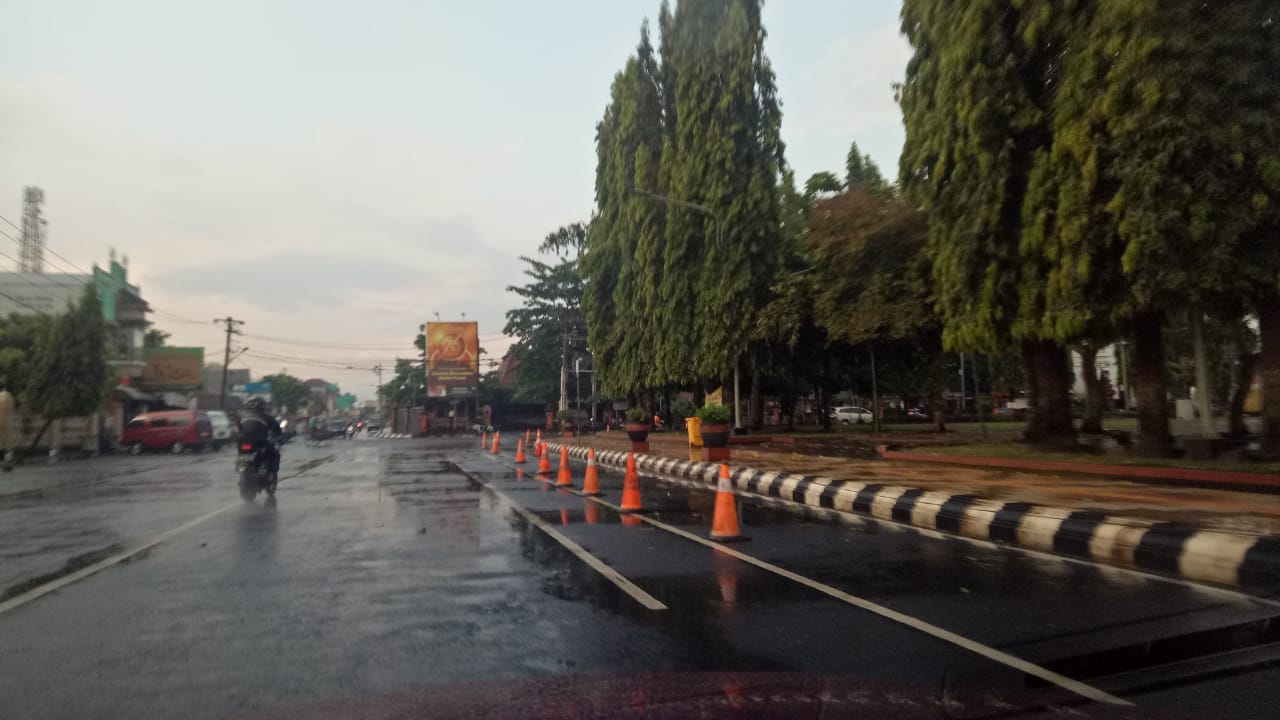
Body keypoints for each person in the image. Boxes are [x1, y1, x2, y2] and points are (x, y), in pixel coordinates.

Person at [239, 398, 282, 476]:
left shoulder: (243, 417)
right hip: (258, 442)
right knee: (274, 453)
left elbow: (236, 430)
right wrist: (279, 436)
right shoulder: (265, 416)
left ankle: (243, 469)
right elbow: (277, 429)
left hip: (242, 442)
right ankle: (270, 473)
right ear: (262, 407)